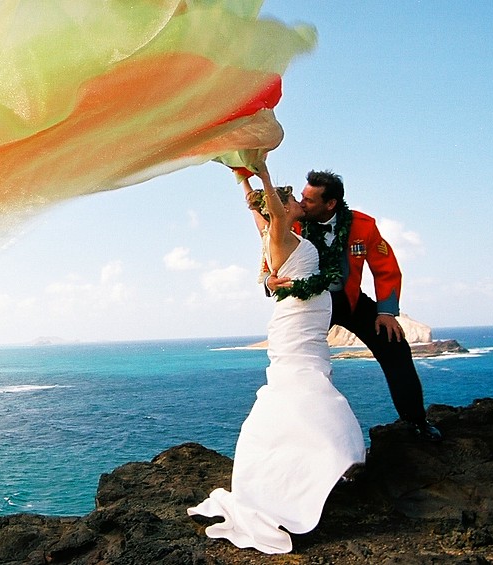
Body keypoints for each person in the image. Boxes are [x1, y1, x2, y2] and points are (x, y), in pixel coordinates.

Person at [187, 166, 366, 554]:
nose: (296, 203)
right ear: (280, 210)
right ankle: (324, 465)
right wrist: (263, 176)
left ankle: (322, 465)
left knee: (307, 385)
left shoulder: (273, 234)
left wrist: (244, 181)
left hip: (304, 320)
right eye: (289, 201)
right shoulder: (281, 234)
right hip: (298, 323)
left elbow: (259, 212)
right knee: (304, 388)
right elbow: (269, 209)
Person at [268, 170, 441, 441]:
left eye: (309, 200)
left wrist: (386, 312)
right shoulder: (294, 221)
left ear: (331, 204)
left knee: (396, 348)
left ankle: (416, 421)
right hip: (309, 303)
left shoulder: (363, 225)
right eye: (301, 197)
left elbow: (385, 268)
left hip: (349, 301)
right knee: (298, 362)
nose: (301, 203)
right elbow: (270, 256)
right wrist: (269, 279)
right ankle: (292, 436)